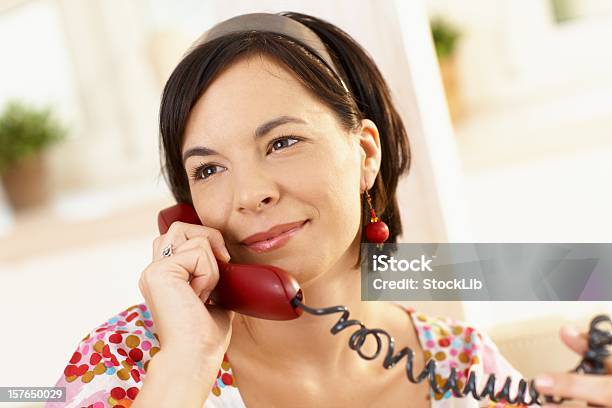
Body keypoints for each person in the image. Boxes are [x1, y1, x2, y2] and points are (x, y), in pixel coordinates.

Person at [45, 11, 612, 408]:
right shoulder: (128, 360)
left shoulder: (464, 367)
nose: (249, 194)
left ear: (365, 153)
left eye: (282, 142)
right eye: (209, 169)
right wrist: (188, 364)